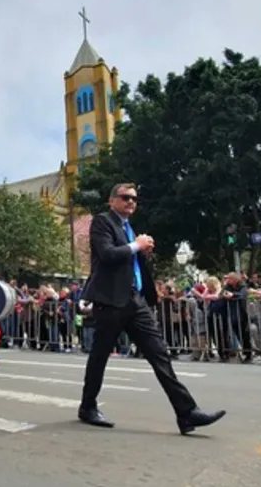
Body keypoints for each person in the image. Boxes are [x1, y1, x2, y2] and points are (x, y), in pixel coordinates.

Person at [78, 183, 225, 435]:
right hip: (110, 300)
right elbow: (106, 255)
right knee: (100, 356)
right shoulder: (103, 222)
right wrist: (136, 245)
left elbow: (129, 262)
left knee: (159, 354)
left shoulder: (129, 228)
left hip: (135, 300)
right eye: (125, 198)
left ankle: (187, 413)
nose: (131, 202)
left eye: (134, 199)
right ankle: (88, 406)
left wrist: (143, 252)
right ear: (112, 201)